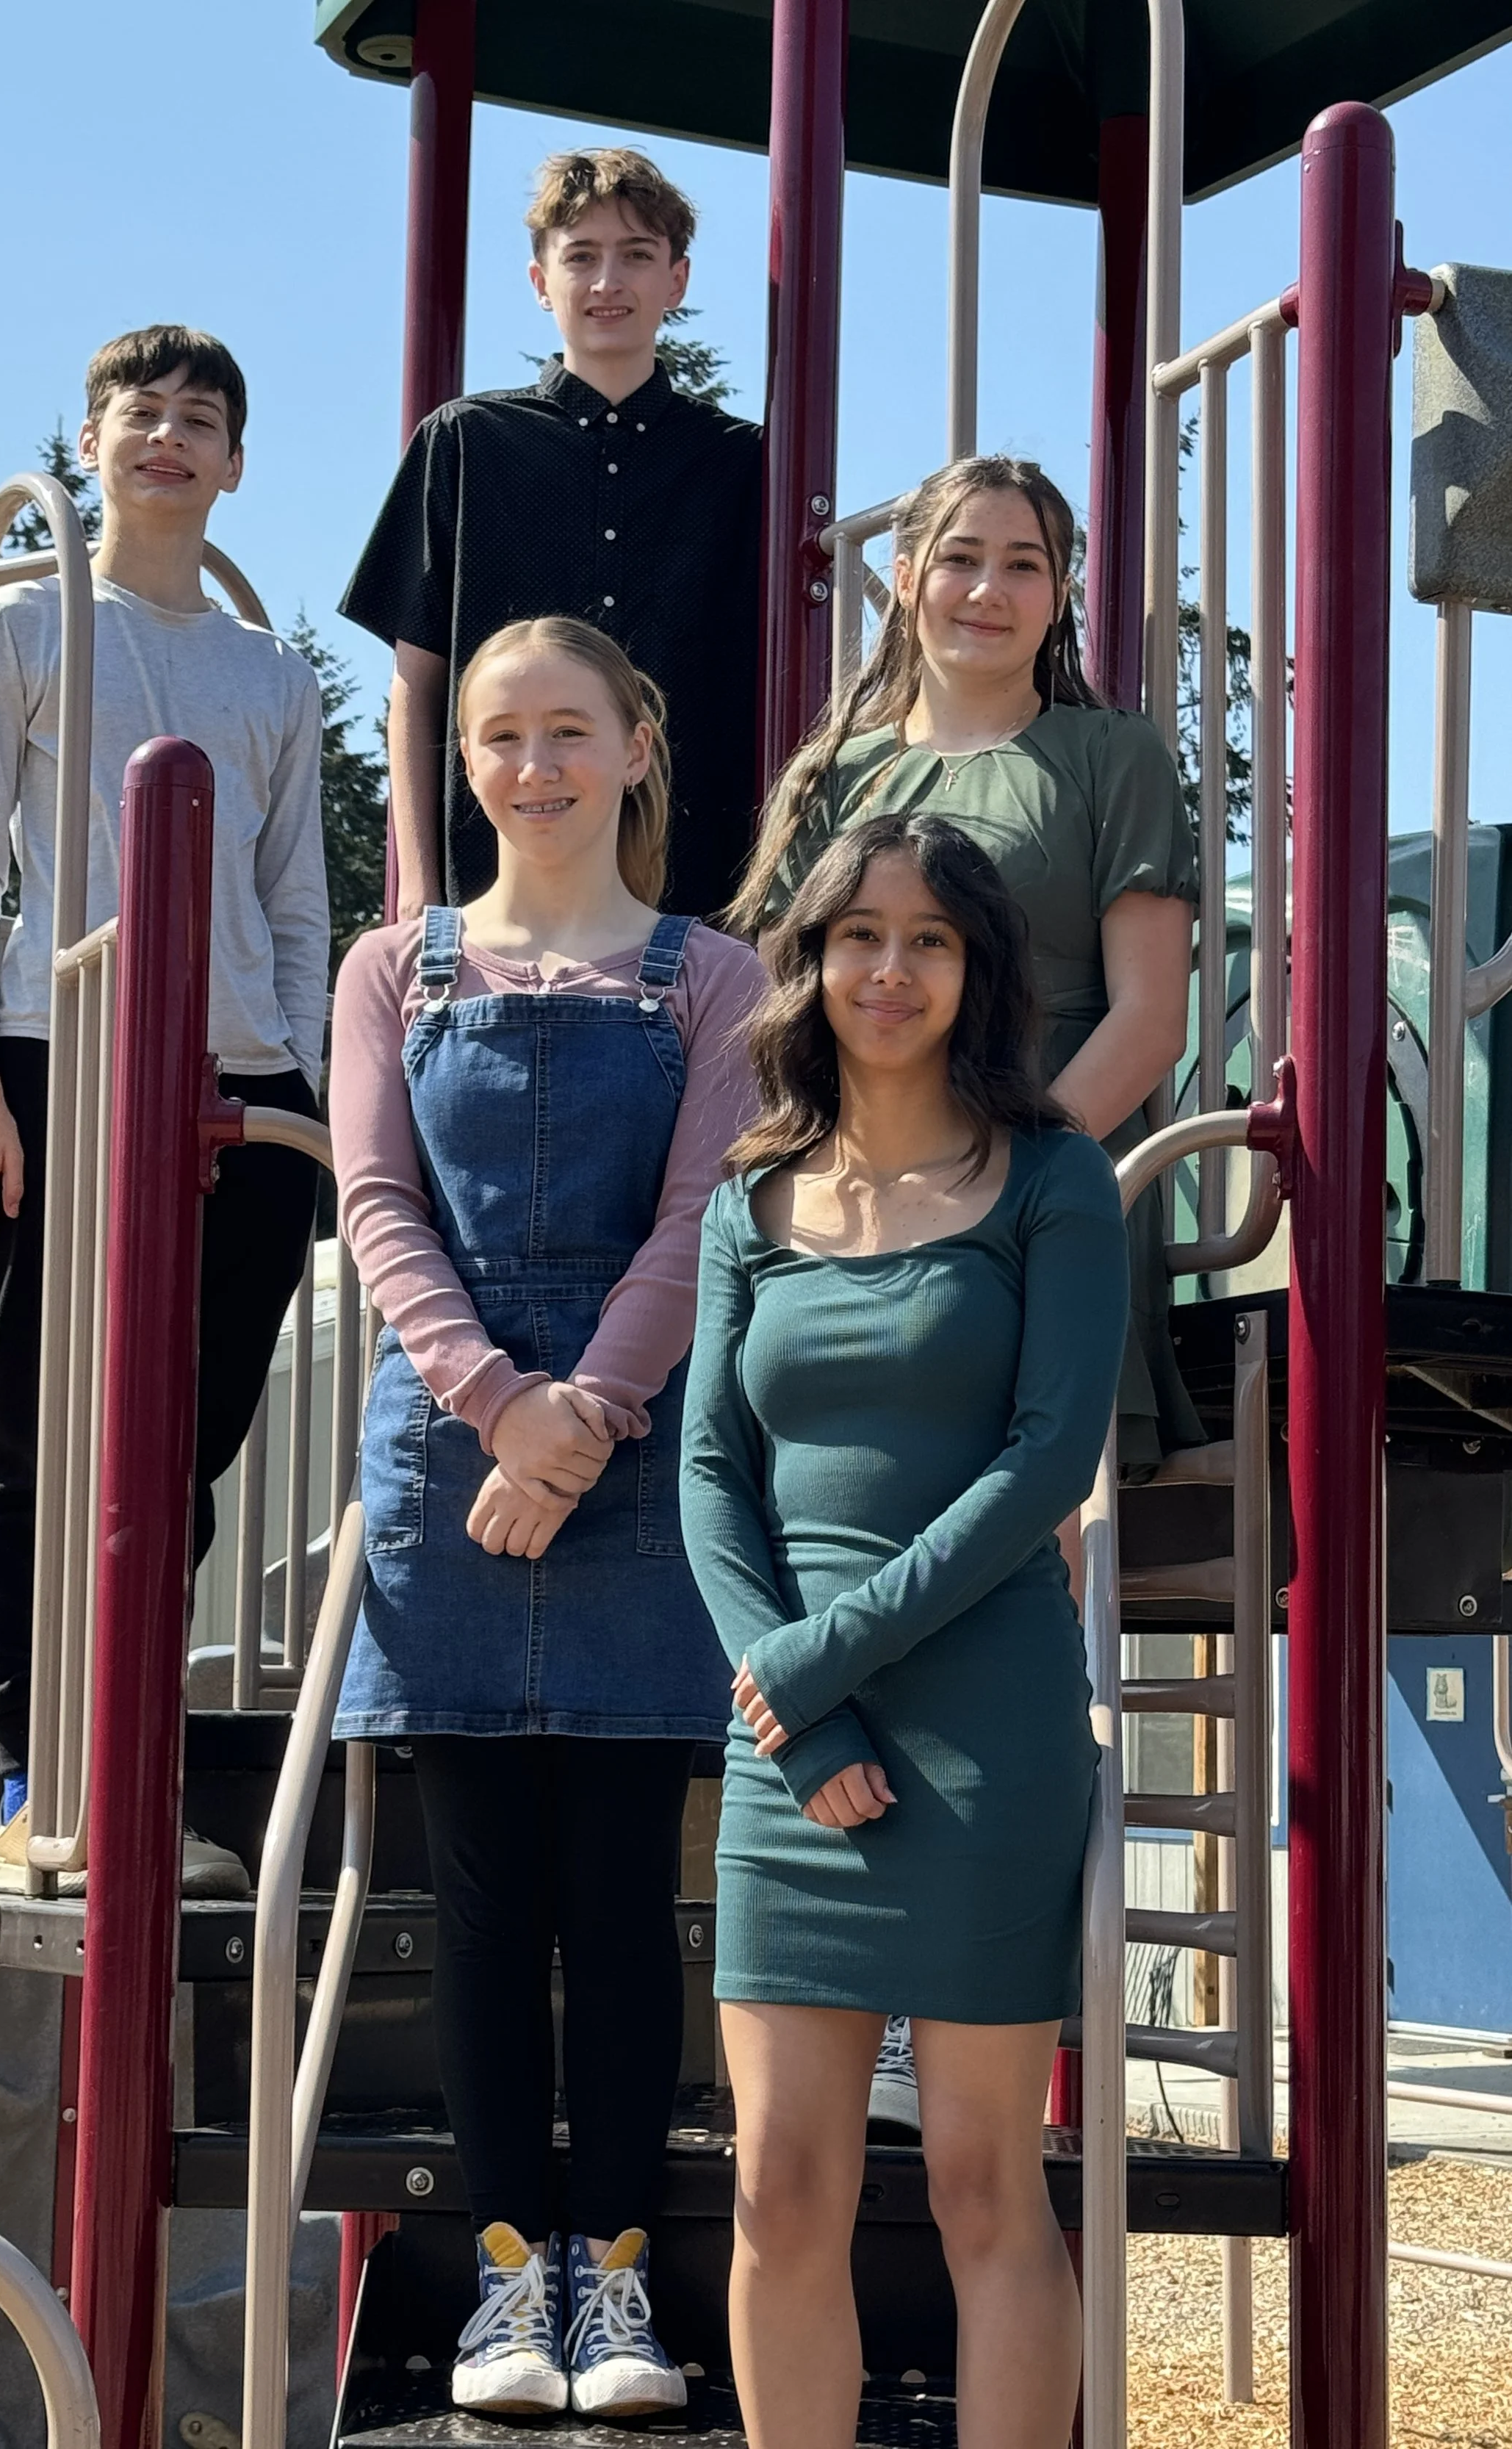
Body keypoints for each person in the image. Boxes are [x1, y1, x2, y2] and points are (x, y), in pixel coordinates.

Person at [328, 616, 762, 2420]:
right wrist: (506, 1406)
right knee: (485, 1905)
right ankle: (511, 2282)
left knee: (621, 1901)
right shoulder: (390, 967)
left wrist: (586, 1412)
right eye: (500, 736)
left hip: (641, 1461)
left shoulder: (713, 977)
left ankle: (622, 2285)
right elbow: (373, 1199)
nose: (532, 767)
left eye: (569, 730)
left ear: (640, 743)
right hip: (448, 1464)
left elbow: (705, 1218)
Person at [681, 814, 1128, 2449]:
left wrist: (821, 1663)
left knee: (976, 2183)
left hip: (979, 1726)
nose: (888, 968)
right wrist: (803, 1705)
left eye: (927, 939)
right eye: (857, 934)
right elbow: (713, 1476)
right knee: (778, 2188)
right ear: (807, 961)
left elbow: (1037, 1467)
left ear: (974, 968)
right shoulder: (747, 1197)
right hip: (795, 1730)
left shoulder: (1053, 1177)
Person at [0, 325, 329, 1898]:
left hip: (237, 1084)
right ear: (89, 445)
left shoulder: (272, 672)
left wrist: (290, 1076)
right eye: (137, 413)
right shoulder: (20, 627)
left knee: (183, 1443)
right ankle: (39, 1775)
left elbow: (295, 899)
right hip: (54, 1045)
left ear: (235, 462)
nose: (166, 437)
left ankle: (130, 1760)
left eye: (198, 419)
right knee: (28, 1425)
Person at [727, 452, 1199, 1481]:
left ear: (1061, 591)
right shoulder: (836, 777)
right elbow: (790, 1009)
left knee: (1034, 1526)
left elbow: (1152, 1017)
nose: (989, 590)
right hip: (855, 1196)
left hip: (1052, 1191)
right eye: (962, 558)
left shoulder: (1114, 757)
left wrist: (1006, 1179)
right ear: (906, 577)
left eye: (1024, 565)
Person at [341, 146, 763, 923]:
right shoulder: (463, 443)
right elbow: (417, 685)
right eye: (582, 257)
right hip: (489, 901)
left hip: (703, 903)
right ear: (541, 283)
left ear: (676, 280)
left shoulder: (747, 463)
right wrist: (416, 890)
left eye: (637, 255)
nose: (608, 282)